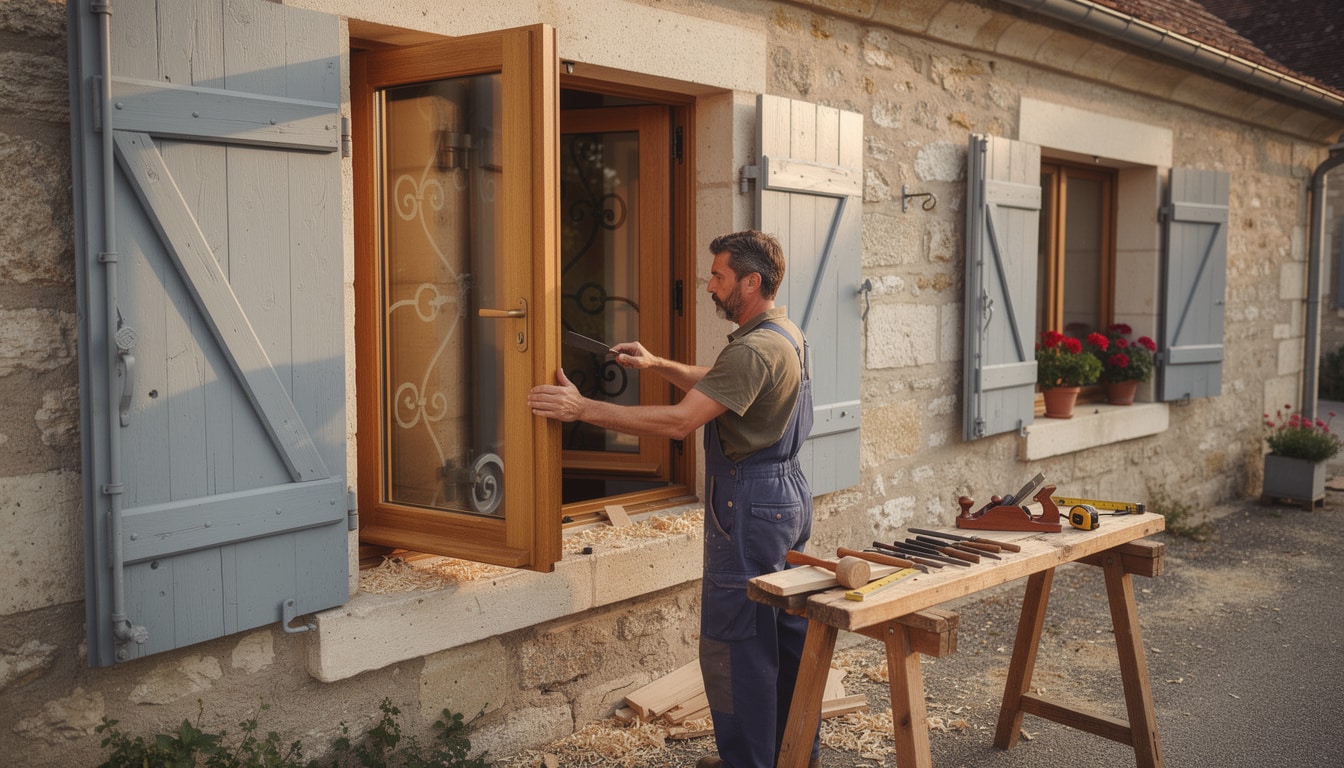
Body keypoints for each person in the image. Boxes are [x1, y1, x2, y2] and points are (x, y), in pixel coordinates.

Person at [528, 230, 821, 768]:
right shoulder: (783, 333)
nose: (709, 285)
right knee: (784, 638)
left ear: (751, 282)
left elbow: (683, 420)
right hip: (785, 495)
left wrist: (581, 409)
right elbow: (725, 383)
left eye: (719, 276)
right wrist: (658, 364)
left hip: (749, 502)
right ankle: (794, 756)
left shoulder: (755, 347)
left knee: (738, 648)